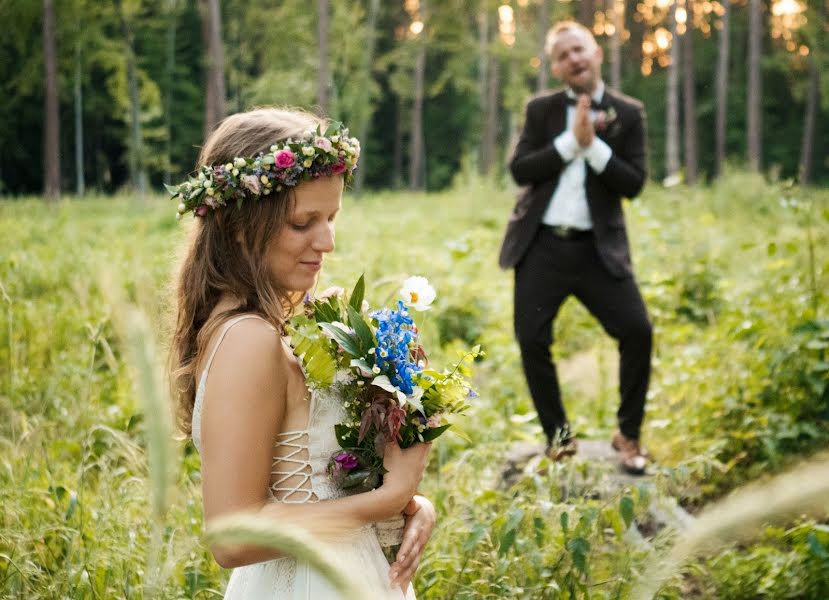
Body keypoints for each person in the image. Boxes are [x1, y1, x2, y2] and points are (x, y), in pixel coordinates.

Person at [168, 107, 436, 599]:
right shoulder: (248, 339)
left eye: (331, 217)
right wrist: (389, 497)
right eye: (302, 222)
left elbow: (316, 481)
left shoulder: (293, 322)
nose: (328, 241)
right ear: (240, 227)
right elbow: (232, 536)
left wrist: (408, 505)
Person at [498, 21, 652, 475]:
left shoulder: (628, 112)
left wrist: (595, 148)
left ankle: (628, 435)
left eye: (579, 49)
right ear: (556, 67)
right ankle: (559, 440)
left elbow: (634, 182)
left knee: (637, 331)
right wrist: (570, 143)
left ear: (596, 51)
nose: (574, 59)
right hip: (542, 245)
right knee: (532, 340)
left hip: (597, 251)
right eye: (563, 55)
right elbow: (521, 169)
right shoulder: (541, 110)